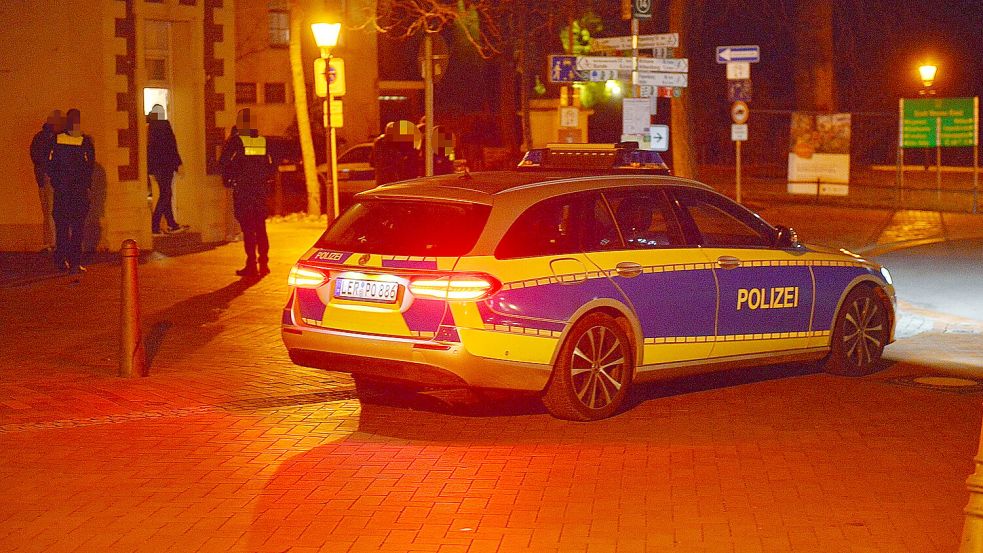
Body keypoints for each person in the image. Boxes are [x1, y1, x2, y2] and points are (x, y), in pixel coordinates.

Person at [220, 109, 275, 277]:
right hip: (259, 191)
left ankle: (251, 264)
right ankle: (264, 263)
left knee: (248, 229)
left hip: (243, 191)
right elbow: (271, 165)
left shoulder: (236, 141)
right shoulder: (262, 141)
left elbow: (223, 161)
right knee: (261, 228)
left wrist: (229, 179)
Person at [47, 108, 95, 274]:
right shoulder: (85, 141)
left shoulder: (56, 139)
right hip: (78, 192)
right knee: (77, 228)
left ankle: (61, 260)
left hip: (62, 192)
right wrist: (86, 186)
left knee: (62, 227)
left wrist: (56, 182)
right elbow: (90, 167)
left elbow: (50, 164)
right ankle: (75, 262)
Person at [147, 104, 187, 235]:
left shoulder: (151, 128)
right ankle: (157, 225)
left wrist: (150, 169)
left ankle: (171, 223)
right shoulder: (165, 126)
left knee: (166, 194)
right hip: (166, 166)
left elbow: (151, 150)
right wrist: (178, 164)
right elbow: (171, 147)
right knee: (166, 195)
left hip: (157, 167)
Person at [30, 110, 62, 251]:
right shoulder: (54, 138)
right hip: (49, 177)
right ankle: (53, 242)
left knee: (47, 212)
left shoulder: (38, 137)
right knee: (52, 212)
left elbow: (35, 157)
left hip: (42, 177)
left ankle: (49, 242)